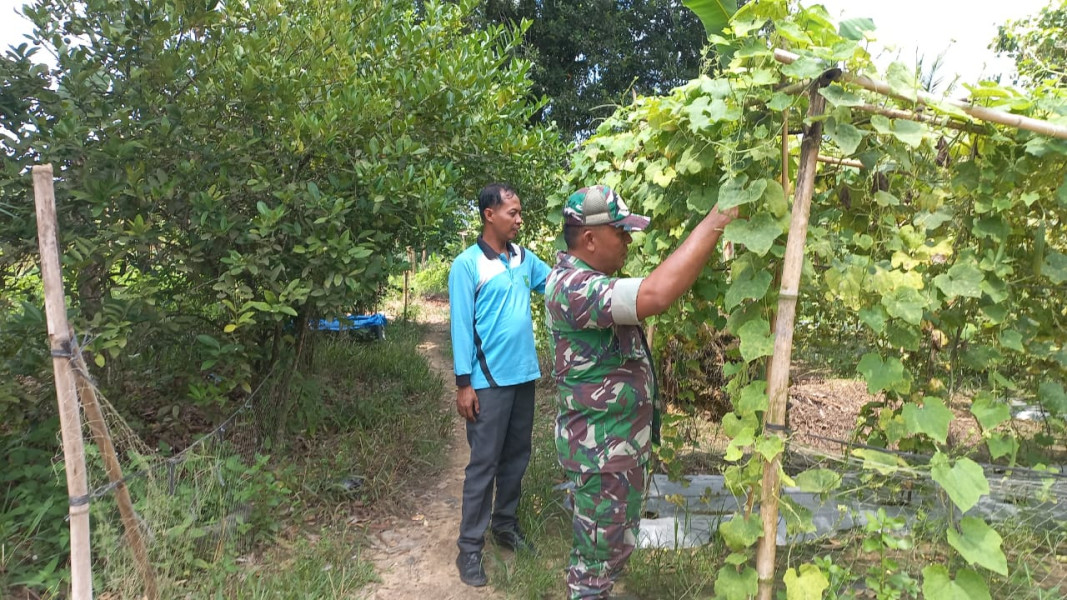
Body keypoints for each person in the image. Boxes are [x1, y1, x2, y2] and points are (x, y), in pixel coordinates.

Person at [545, 184, 737, 599]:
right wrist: (717, 220)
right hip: (601, 454)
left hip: (614, 450)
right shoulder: (572, 287)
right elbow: (655, 294)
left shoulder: (587, 281)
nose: (629, 241)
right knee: (594, 565)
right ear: (591, 238)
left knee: (609, 553)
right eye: (622, 232)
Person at [449, 183, 551, 587]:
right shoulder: (468, 265)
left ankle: (505, 527)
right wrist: (463, 384)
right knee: (483, 466)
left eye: (520, 212)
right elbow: (460, 327)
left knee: (516, 459)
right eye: (513, 212)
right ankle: (469, 549)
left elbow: (556, 285)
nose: (519, 219)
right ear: (489, 214)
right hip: (487, 383)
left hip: (524, 377)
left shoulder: (525, 259)